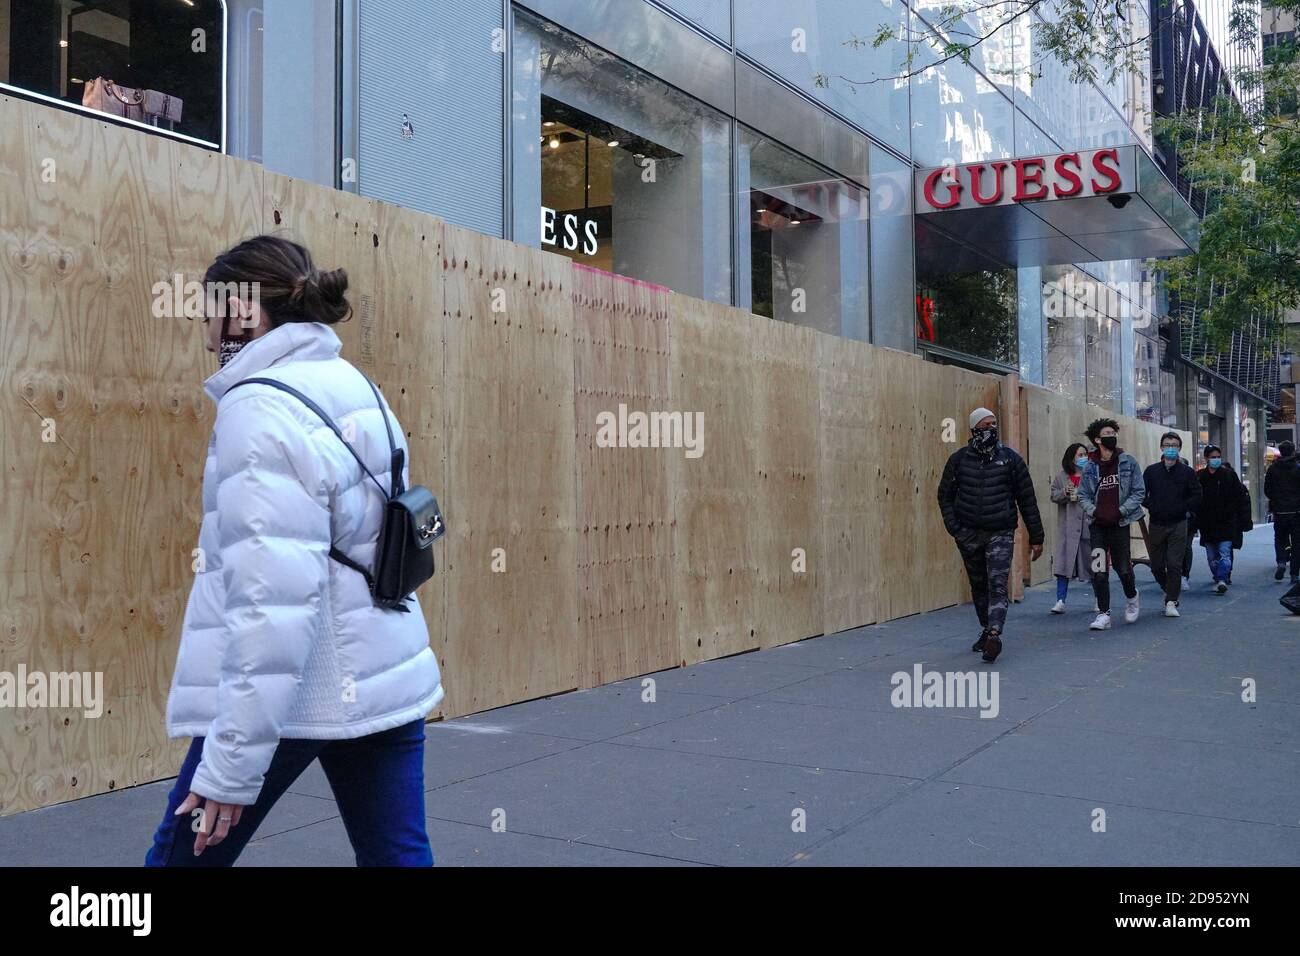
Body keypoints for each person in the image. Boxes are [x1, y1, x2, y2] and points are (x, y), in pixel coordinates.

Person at [145, 236, 444, 866]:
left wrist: (229, 768)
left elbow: (270, 601)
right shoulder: (356, 385)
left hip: (295, 693)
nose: (206, 333)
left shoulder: (258, 406)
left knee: (180, 861)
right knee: (398, 856)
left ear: (245, 312)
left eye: (212, 312)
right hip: (383, 672)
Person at [937, 406, 1045, 663]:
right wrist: (956, 530)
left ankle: (995, 633)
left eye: (994, 425)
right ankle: (987, 628)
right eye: (985, 426)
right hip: (968, 534)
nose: (991, 429)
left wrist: (1036, 536)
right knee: (979, 585)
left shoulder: (1011, 460)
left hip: (1000, 532)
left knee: (997, 583)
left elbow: (1027, 499)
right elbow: (944, 497)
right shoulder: (959, 460)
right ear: (973, 429)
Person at [1077, 418, 1146, 630]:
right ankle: (1104, 614)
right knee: (1099, 570)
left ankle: (1132, 597)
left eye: (1113, 433)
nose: (1112, 436)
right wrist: (1094, 511)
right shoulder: (1090, 467)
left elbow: (1139, 491)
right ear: (1097, 439)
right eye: (1107, 433)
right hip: (1098, 526)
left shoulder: (1128, 462)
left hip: (1120, 524)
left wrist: (1122, 510)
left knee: (1123, 568)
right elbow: (1082, 495)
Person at [1141, 432, 1201, 618]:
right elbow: (1142, 494)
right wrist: (1154, 506)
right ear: (1161, 448)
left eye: (1174, 445)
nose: (1171, 448)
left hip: (1178, 523)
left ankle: (1171, 601)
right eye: (1167, 445)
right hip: (1157, 523)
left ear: (1179, 448)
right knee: (1156, 565)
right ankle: (1168, 589)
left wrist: (1183, 508)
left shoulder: (1187, 472)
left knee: (1174, 564)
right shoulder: (1151, 471)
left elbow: (1197, 495)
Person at [1189, 445, 1251, 594]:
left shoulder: (1229, 475)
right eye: (1212, 457)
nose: (1216, 459)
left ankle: (1222, 578)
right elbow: (1195, 498)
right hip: (1207, 523)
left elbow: (1239, 497)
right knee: (1211, 555)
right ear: (1206, 459)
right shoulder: (1200, 476)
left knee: (1225, 552)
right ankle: (1218, 576)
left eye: (1218, 457)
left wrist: (1241, 518)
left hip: (1227, 521)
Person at [1048, 443, 1092, 614]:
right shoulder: (1062, 477)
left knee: (1093, 566)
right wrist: (1064, 493)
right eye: (1079, 455)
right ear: (1071, 457)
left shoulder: (1092, 475)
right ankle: (1060, 600)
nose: (1083, 458)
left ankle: (1099, 599)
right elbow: (1053, 495)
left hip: (1088, 526)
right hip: (1068, 529)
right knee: (1063, 566)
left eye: (1085, 454)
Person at [1265, 439, 1300, 583]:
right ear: (1292, 451)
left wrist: (1275, 500)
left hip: (1279, 511)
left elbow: (1267, 490)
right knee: (1297, 542)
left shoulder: (1272, 469)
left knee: (1280, 538)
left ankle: (1281, 562)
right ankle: (1294, 574)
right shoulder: (1298, 469)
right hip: (1296, 511)